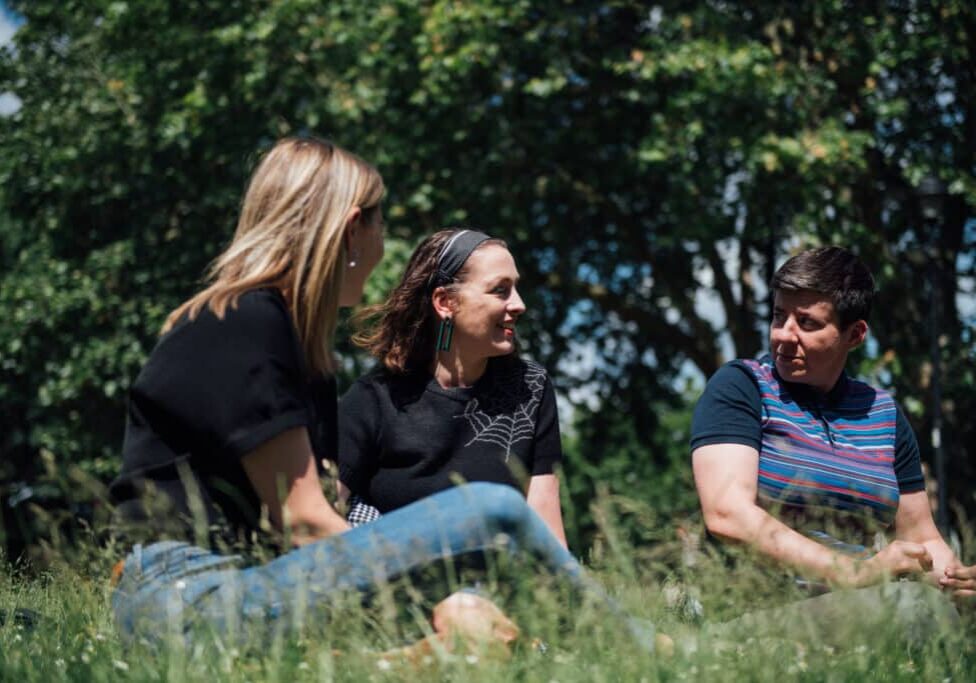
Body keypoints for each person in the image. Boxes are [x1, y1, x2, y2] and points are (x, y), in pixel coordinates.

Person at [107, 138, 649, 651]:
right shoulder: (248, 322)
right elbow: (306, 523)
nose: (382, 244)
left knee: (470, 615)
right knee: (494, 508)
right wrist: (433, 597)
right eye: (380, 223)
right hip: (186, 597)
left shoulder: (300, 352)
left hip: (249, 585)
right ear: (351, 230)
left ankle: (421, 655)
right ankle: (634, 644)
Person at [689, 246, 961, 645]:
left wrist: (957, 582)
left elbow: (922, 538)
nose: (784, 335)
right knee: (915, 609)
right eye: (779, 315)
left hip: (860, 612)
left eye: (806, 322)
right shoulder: (742, 387)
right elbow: (727, 514)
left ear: (855, 335)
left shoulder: (884, 414)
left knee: (934, 611)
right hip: (755, 617)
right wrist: (853, 573)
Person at [337, 229, 567, 546]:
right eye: (500, 290)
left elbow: (545, 524)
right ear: (445, 302)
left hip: (500, 572)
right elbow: (321, 514)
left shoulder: (531, 388)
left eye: (516, 288)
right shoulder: (374, 397)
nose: (519, 304)